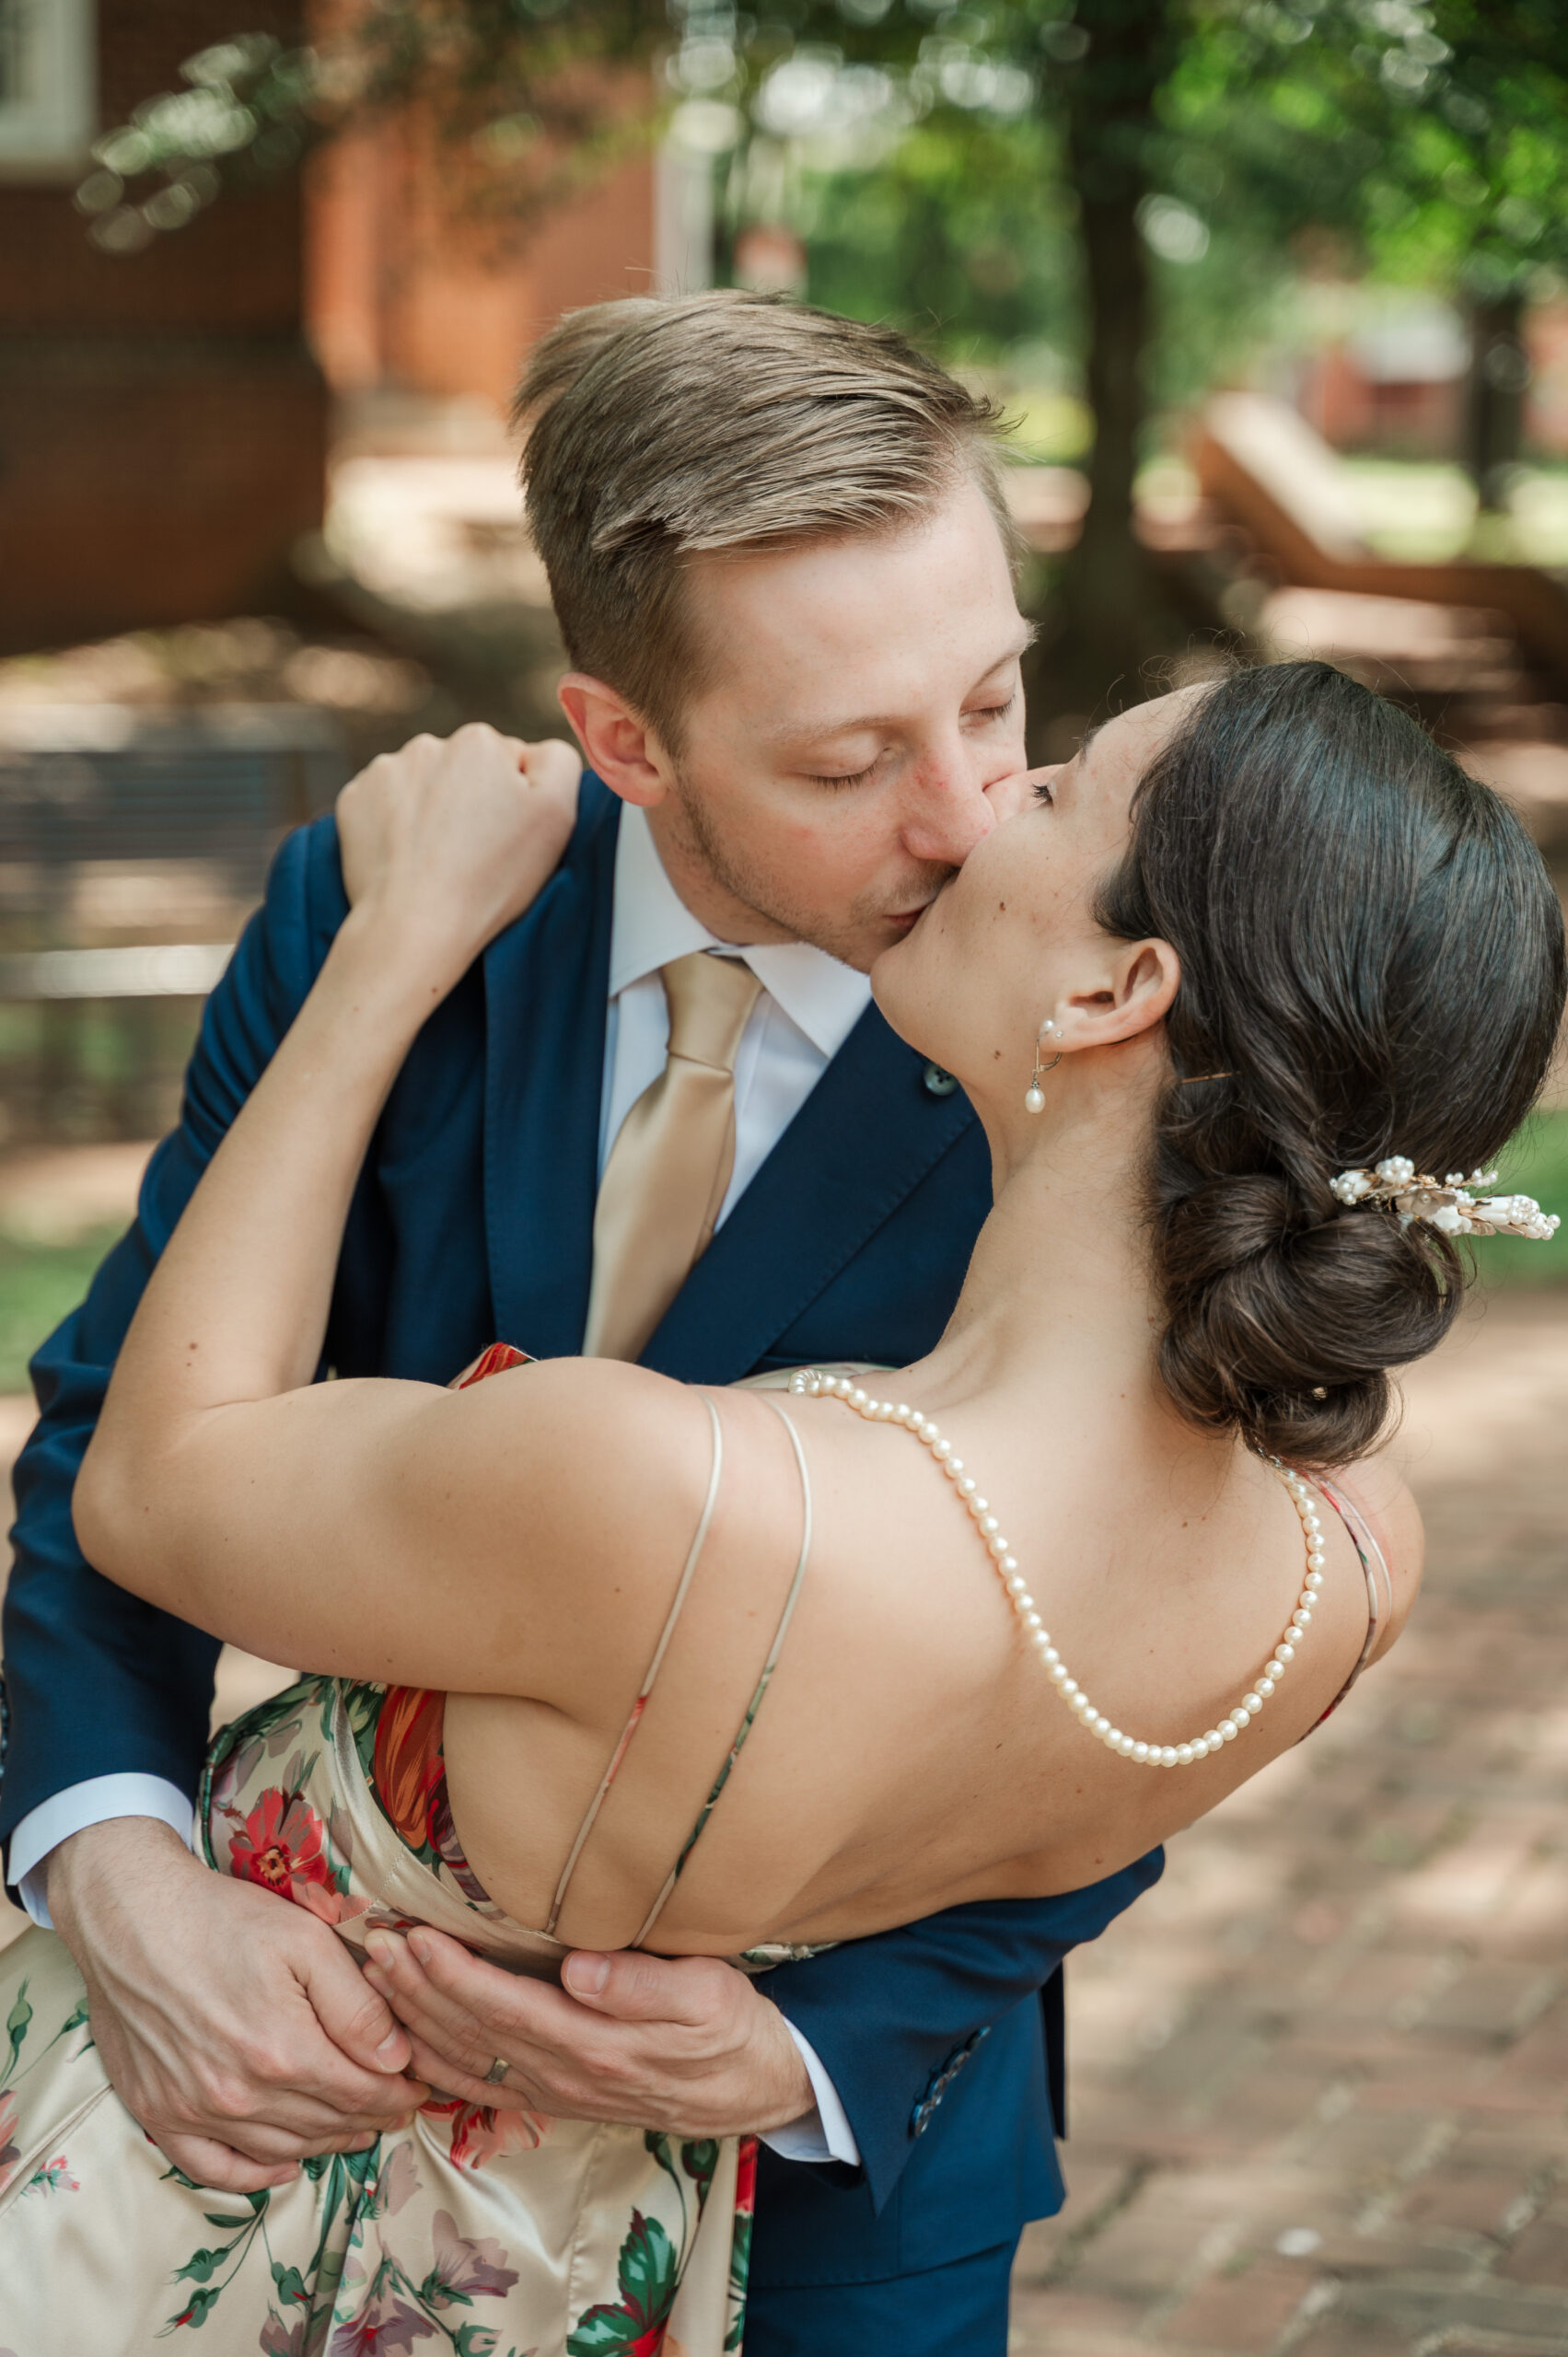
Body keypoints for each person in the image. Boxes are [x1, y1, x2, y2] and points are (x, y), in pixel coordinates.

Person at [2, 657, 1563, 2355]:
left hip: (162, 2232)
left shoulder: (676, 1498)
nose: (979, 805)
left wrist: (382, 958)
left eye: (1051, 785)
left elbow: (155, 1483)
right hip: (611, 2286)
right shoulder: (1351, 1562)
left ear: (1120, 990)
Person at [0, 291, 1159, 2356]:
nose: (972, 818)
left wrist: (798, 2048)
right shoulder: (387, 914)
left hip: (832, 2168)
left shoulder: (1113, 1015)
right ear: (624, 739)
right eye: (848, 756)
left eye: (994, 701)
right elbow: (122, 1425)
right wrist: (122, 1880)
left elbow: (1159, 1642)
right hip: (307, 2106)